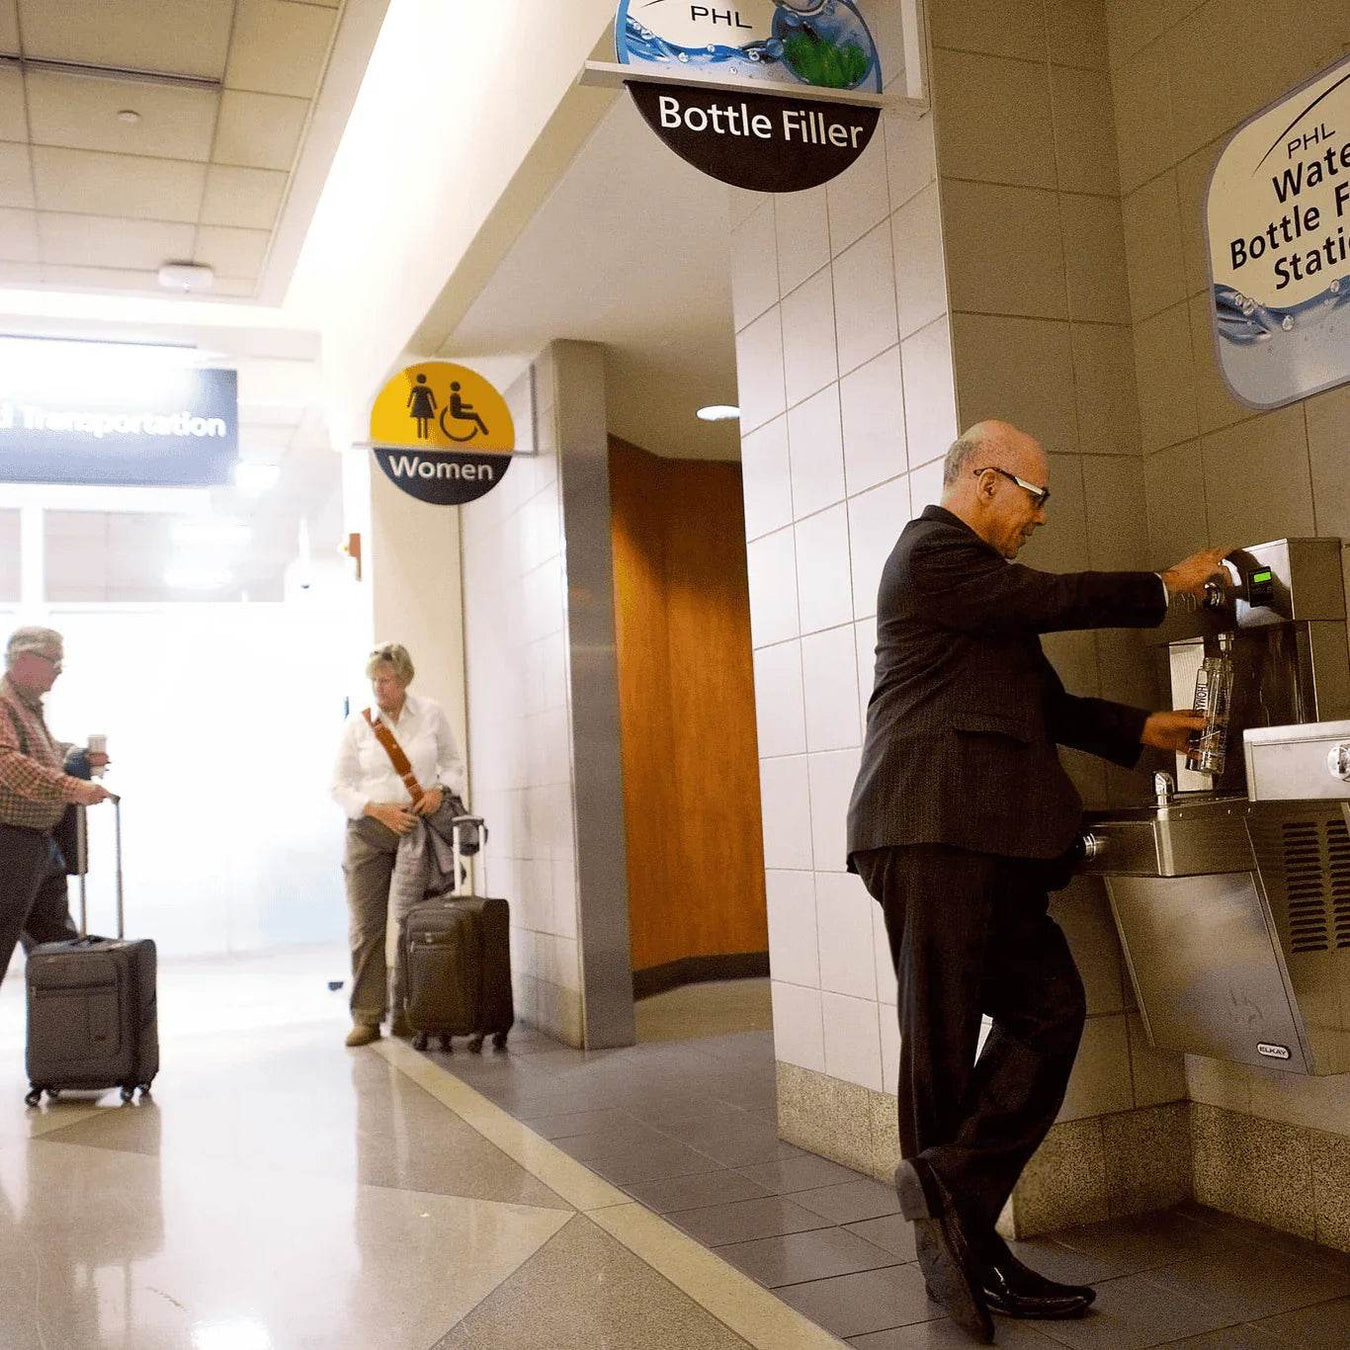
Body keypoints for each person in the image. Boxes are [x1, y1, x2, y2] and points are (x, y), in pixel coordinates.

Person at [846, 421, 1228, 1343]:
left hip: (985, 837)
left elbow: (1042, 705)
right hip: (932, 826)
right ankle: (956, 1260)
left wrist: (1138, 730)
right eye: (1036, 498)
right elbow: (1047, 597)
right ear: (986, 479)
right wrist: (1161, 587)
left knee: (1048, 1010)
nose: (1038, 519)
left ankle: (957, 1209)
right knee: (937, 1038)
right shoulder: (931, 553)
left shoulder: (979, 595)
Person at [331, 643, 466, 1048]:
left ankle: (411, 1011)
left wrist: (442, 790)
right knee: (366, 927)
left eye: (386, 680)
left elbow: (453, 763)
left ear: (404, 679)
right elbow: (339, 786)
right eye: (374, 680)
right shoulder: (359, 725)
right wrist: (376, 809)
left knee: (414, 924)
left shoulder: (430, 714)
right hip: (368, 833)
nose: (379, 688)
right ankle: (368, 1016)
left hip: (417, 832)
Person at [0, 627, 111, 985]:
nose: (59, 670)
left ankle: (69, 1034)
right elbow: (6, 762)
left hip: (37, 843)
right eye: (54, 661)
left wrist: (73, 756)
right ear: (24, 660)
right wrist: (70, 787)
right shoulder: (3, 702)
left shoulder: (27, 707)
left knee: (59, 949)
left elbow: (37, 754)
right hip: (9, 842)